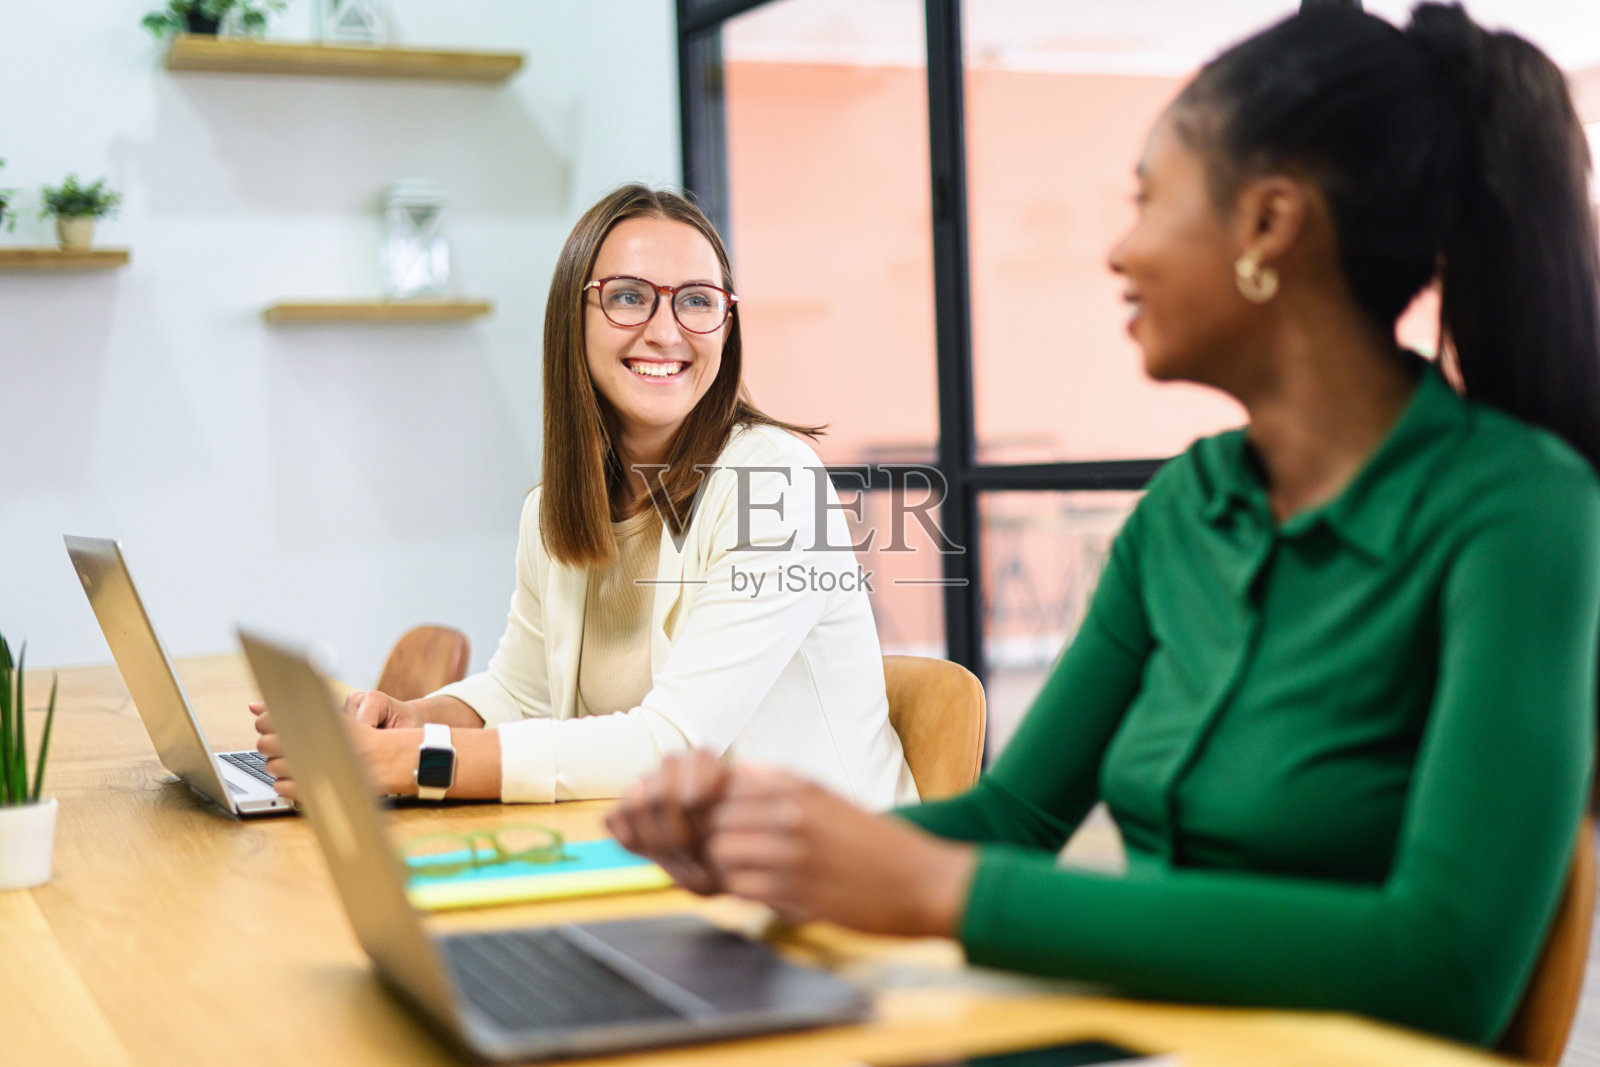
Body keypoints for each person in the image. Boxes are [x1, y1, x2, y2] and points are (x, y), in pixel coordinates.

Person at [607, 2, 1600, 1047]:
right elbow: (1011, 819)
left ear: (1268, 225)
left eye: (1147, 199)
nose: (1119, 251)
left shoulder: (1518, 511)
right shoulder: (1187, 509)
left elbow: (1445, 962)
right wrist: (776, 848)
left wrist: (949, 892)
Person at [252, 185, 917, 808]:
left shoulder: (773, 484)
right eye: (629, 296)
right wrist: (413, 720)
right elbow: (523, 692)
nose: (666, 331)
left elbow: (673, 745)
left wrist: (416, 761)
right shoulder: (556, 508)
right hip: (659, 851)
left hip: (823, 870)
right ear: (575, 317)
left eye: (697, 300)